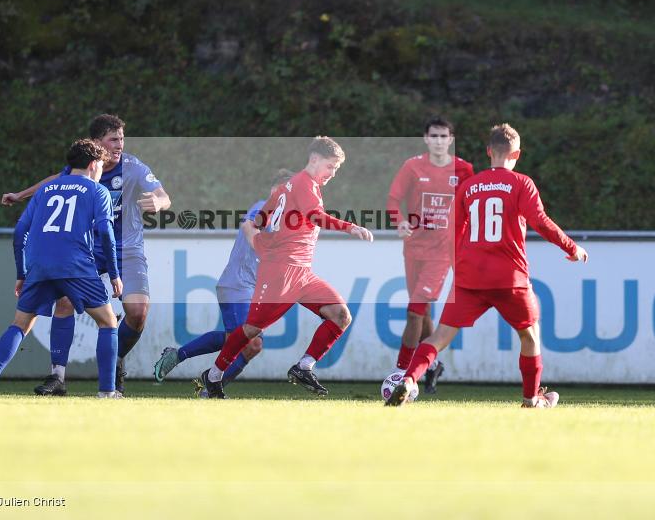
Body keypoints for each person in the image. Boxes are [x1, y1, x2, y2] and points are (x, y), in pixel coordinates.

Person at [385, 123, 588, 408]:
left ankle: (408, 380)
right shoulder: (522, 183)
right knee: (530, 335)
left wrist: (460, 270)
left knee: (440, 336)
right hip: (510, 277)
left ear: (488, 151)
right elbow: (540, 221)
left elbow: (453, 233)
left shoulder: (469, 185)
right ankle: (531, 400)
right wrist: (571, 247)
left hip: (471, 277)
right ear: (517, 154)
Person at [1, 114, 170, 396]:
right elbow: (55, 180)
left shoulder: (133, 167)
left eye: (121, 139)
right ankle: (57, 376)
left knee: (138, 313)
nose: (119, 144)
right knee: (65, 301)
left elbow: (164, 195)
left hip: (127, 249)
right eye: (113, 139)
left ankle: (114, 358)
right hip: (90, 248)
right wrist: (21, 195)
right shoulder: (86, 166)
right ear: (97, 143)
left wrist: (159, 202)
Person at [198, 137, 374, 399]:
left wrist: (253, 231)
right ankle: (212, 377)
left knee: (340, 315)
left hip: (302, 272)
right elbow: (316, 216)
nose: (332, 174)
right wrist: (351, 227)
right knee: (251, 330)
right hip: (281, 271)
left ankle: (304, 366)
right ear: (314, 159)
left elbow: (261, 218)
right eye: (330, 167)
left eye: (336, 169)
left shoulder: (288, 187)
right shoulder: (305, 184)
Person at [0, 139, 124, 398]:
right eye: (101, 165)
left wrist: (22, 273)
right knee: (108, 322)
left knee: (19, 325)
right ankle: (107, 392)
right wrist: (115, 273)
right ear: (93, 164)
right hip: (77, 266)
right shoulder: (98, 192)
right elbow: (106, 233)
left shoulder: (47, 189)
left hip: (39, 267)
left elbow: (20, 232)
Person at [152, 169, 295, 391]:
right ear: (274, 190)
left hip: (253, 290)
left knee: (244, 343)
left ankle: (190, 367)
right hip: (238, 285)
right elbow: (250, 227)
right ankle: (209, 386)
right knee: (250, 342)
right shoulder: (262, 207)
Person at [386, 117, 474, 394]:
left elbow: (473, 206)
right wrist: (399, 221)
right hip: (413, 248)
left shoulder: (463, 169)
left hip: (441, 253)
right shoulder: (412, 166)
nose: (438, 141)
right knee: (421, 313)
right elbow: (392, 200)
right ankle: (432, 365)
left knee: (414, 312)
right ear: (426, 139)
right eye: (433, 136)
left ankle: (401, 374)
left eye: (443, 136)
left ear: (451, 139)